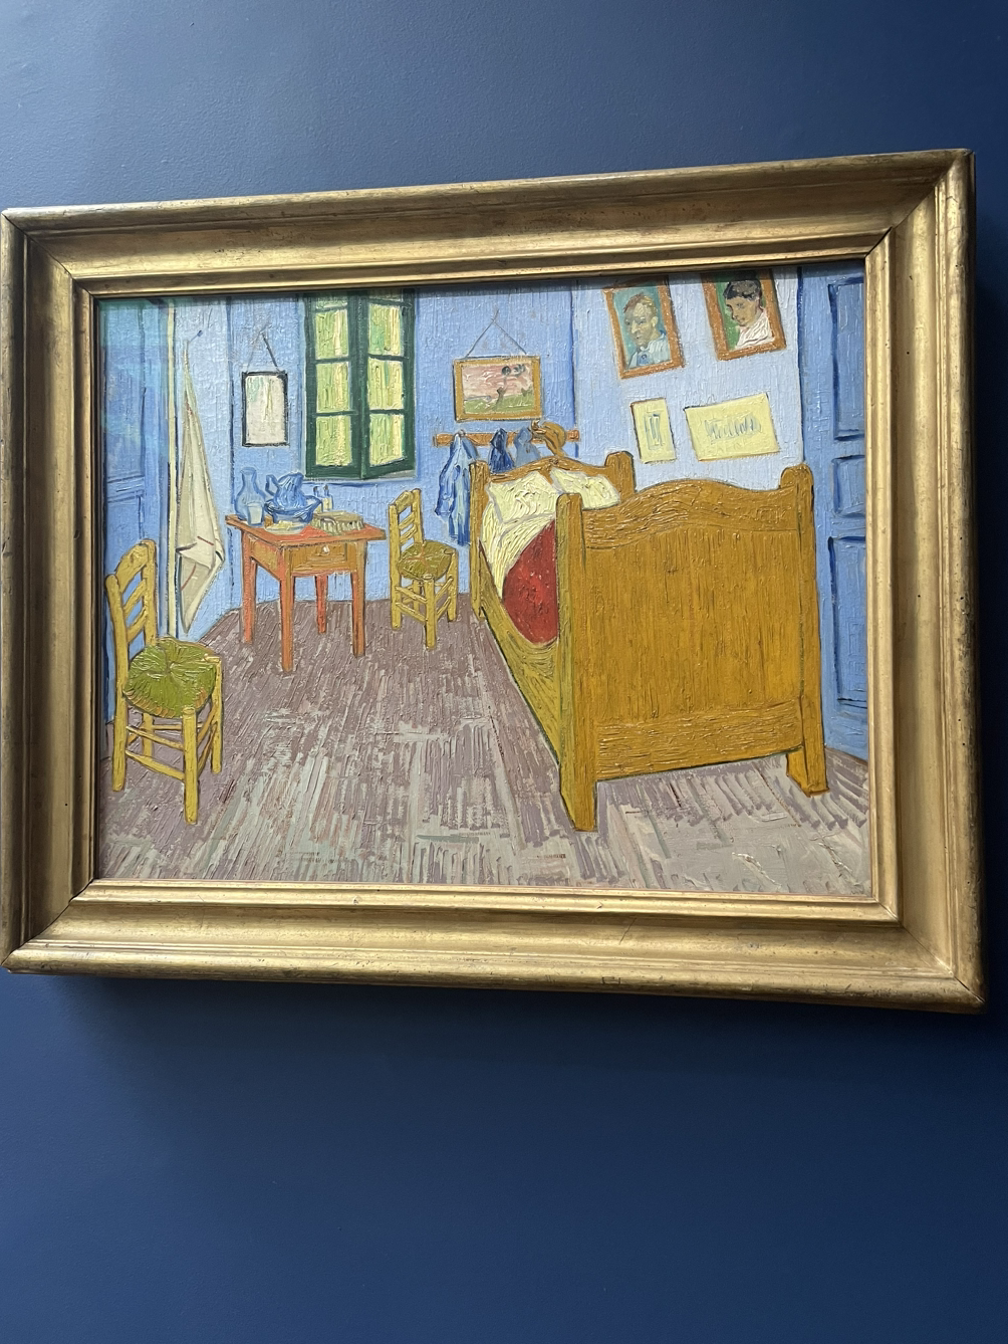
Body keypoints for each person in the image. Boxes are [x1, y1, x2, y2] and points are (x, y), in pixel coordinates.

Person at [723, 277, 774, 350]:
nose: (734, 315)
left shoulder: (768, 329)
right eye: (731, 308)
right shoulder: (745, 330)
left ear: (756, 299)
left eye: (740, 306)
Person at [622, 292, 671, 368]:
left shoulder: (669, 349)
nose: (633, 330)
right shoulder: (634, 359)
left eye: (640, 322)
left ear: (653, 321)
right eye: (628, 323)